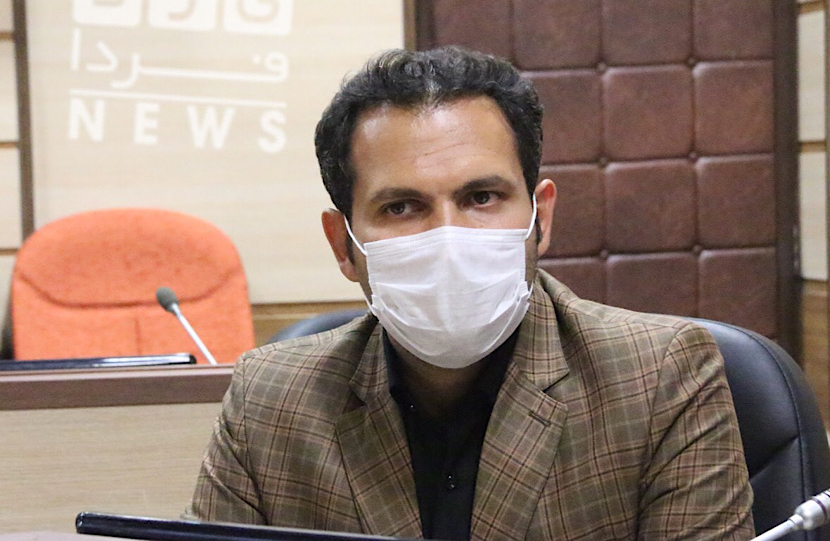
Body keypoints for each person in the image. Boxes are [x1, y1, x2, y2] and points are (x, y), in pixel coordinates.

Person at [190, 46, 754, 541]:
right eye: (401, 207)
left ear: (539, 218)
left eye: (482, 198)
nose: (448, 237)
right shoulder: (270, 400)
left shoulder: (660, 379)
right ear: (343, 245)